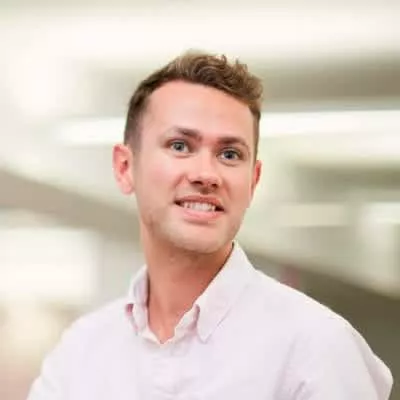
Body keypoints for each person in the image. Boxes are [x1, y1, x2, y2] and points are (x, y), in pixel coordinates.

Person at [27, 51, 393, 400]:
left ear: (253, 181)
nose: (206, 174)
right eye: (180, 146)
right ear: (125, 167)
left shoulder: (315, 349)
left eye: (229, 154)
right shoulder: (80, 353)